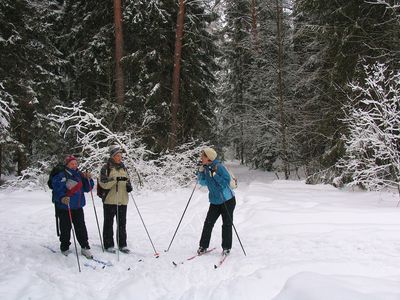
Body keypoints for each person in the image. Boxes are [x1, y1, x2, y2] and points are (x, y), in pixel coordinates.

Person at [51, 155, 94, 259]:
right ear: (67, 165)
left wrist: (89, 179)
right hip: (65, 207)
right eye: (72, 164)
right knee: (65, 228)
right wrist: (62, 198)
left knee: (81, 228)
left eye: (75, 163)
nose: (74, 165)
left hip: (78, 206)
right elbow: (57, 189)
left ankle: (85, 247)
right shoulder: (61, 175)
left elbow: (88, 188)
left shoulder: (79, 174)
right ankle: (65, 247)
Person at [197, 147, 236, 256]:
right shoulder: (205, 167)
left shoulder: (219, 167)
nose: (201, 158)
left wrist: (215, 174)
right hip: (214, 201)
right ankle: (203, 246)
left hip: (227, 200)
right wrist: (200, 172)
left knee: (226, 224)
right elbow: (203, 182)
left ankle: (226, 248)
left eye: (203, 156)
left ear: (208, 158)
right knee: (208, 223)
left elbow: (225, 182)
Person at [98, 145, 133, 254]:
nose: (119, 157)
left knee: (122, 223)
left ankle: (122, 244)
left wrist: (128, 185)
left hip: (122, 199)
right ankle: (108, 244)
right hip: (110, 200)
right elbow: (103, 184)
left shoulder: (124, 167)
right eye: (117, 155)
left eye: (120, 155)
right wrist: (115, 180)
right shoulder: (106, 167)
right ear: (112, 156)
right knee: (109, 223)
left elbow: (128, 180)